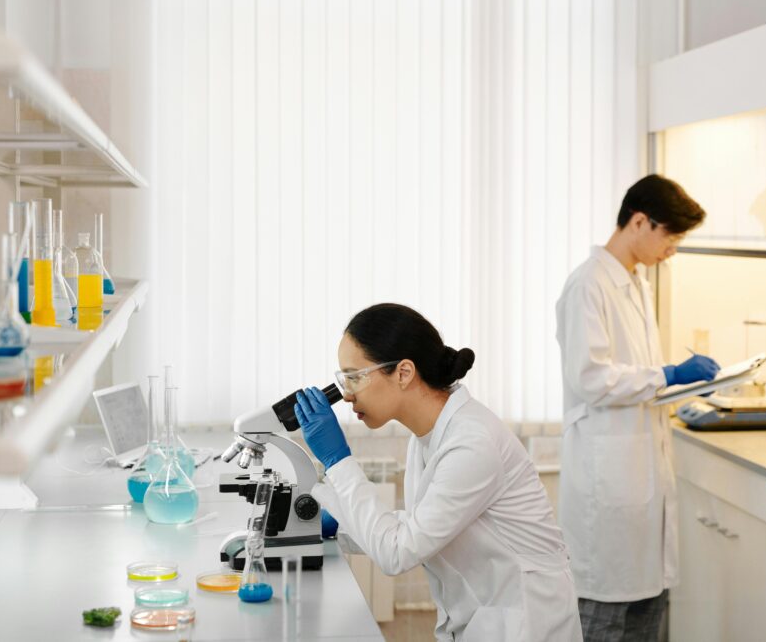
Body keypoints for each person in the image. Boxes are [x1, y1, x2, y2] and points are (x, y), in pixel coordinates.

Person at [294, 303, 582, 642]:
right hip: (488, 616)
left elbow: (398, 553)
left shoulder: (472, 441)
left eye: (354, 377)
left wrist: (338, 460)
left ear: (403, 372)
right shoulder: (428, 435)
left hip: (526, 622)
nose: (345, 395)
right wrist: (341, 525)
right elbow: (423, 525)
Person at [555, 174, 720, 641]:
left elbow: (636, 378)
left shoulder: (637, 283)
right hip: (607, 493)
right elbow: (591, 378)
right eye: (671, 236)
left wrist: (678, 384)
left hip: (642, 489)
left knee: (647, 615)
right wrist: (667, 374)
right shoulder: (587, 285)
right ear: (640, 221)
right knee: (603, 621)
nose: (673, 250)